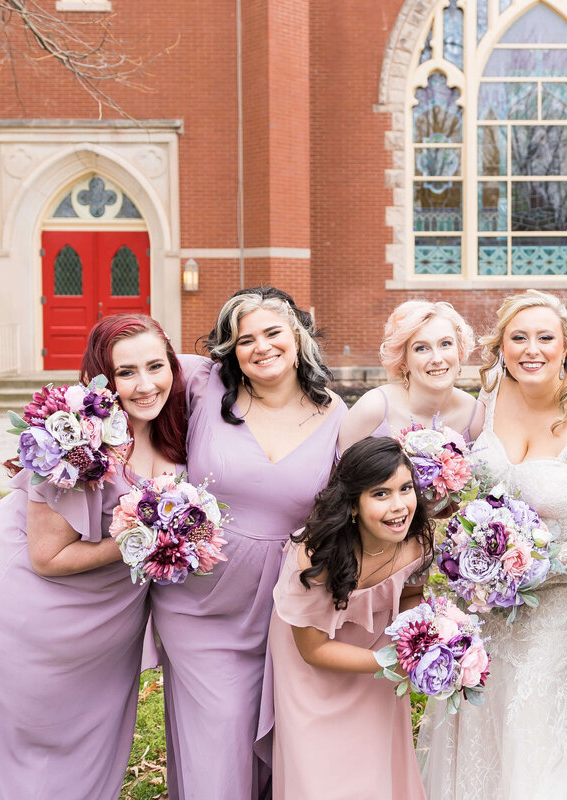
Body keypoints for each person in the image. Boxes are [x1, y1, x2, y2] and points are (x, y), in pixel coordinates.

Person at [418, 289, 567, 800]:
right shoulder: (493, 396)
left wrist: (526, 568)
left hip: (555, 605)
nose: (531, 349)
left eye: (545, 337)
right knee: (475, 711)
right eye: (518, 338)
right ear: (501, 347)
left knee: (529, 714)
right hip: (481, 602)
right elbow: (469, 490)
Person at [151, 286, 347, 799]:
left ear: (299, 336)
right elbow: (131, 365)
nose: (260, 347)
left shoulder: (337, 415)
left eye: (273, 333)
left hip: (284, 607)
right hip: (200, 604)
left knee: (286, 742)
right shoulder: (202, 384)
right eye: (244, 339)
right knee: (216, 744)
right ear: (228, 350)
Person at [0, 314, 188, 799]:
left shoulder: (180, 422)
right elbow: (47, 557)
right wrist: (149, 538)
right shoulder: (76, 440)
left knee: (94, 751)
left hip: (109, 624)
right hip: (33, 614)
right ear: (102, 378)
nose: (145, 385)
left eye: (156, 366)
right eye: (125, 372)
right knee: (30, 753)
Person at [267, 436, 432, 799]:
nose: (399, 506)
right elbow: (313, 650)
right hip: (312, 665)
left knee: (374, 765)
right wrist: (392, 663)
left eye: (405, 488)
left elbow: (410, 595)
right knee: (319, 772)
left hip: (379, 655)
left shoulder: (415, 541)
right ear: (353, 505)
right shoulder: (315, 556)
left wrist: (417, 645)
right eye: (380, 494)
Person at [338, 300, 484, 453]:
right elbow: (339, 474)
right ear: (403, 361)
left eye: (445, 344)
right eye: (421, 348)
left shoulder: (473, 413)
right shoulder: (374, 407)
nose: (437, 359)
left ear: (459, 351)